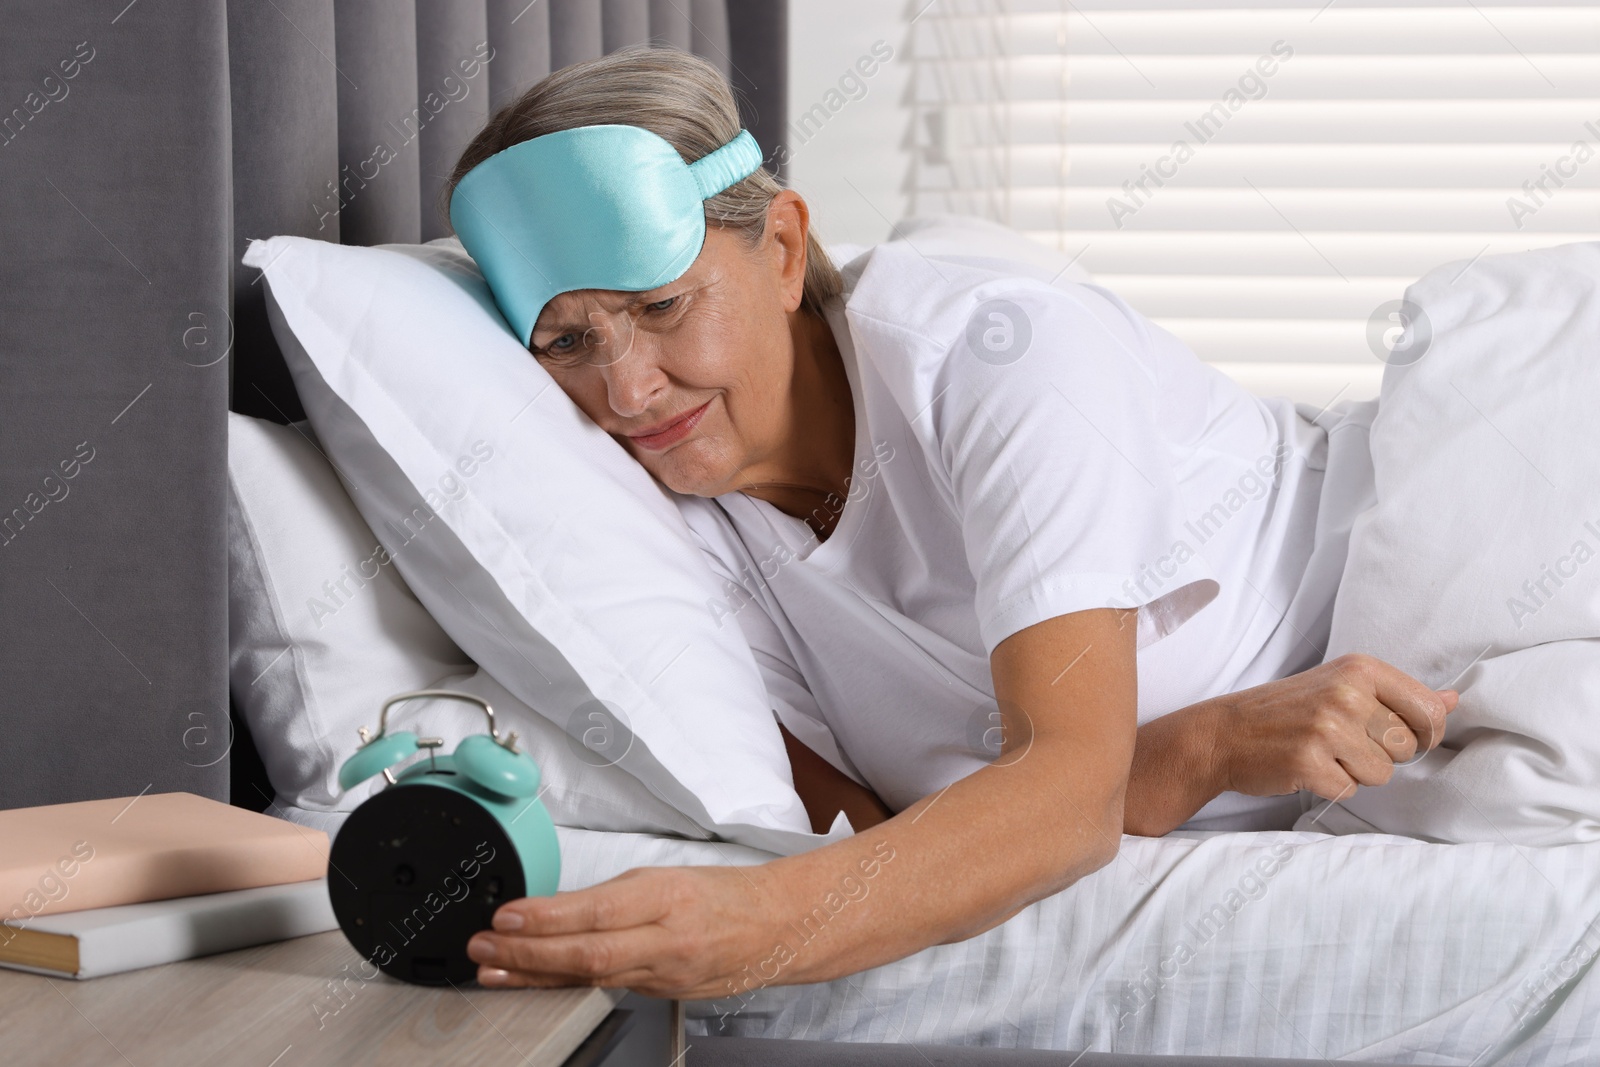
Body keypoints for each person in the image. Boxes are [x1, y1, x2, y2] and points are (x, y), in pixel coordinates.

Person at [444, 46, 1456, 998]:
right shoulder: (664, 537)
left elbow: (1059, 801)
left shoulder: (997, 351)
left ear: (785, 248)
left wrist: (757, 929)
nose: (625, 389)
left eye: (663, 305)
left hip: (1428, 560)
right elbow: (897, 839)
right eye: (567, 338)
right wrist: (1197, 751)